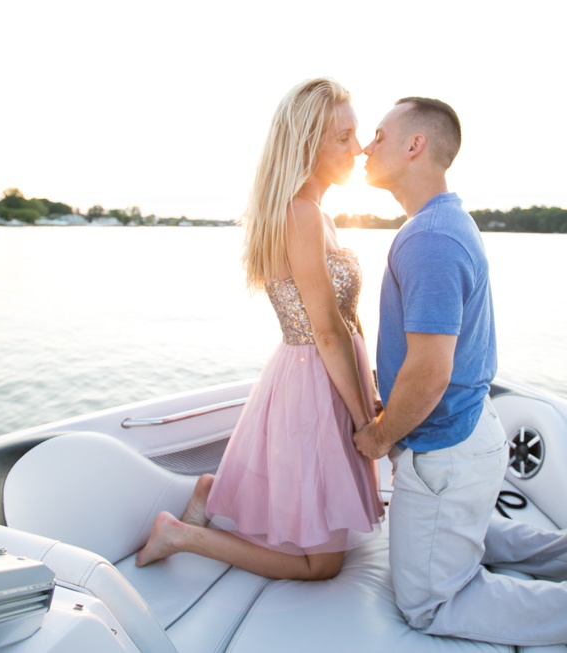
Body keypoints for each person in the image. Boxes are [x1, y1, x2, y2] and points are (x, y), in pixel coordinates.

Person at [354, 97, 567, 653]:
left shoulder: (429, 239)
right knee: (463, 534)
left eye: (380, 134)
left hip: (446, 449)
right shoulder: (444, 221)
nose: (367, 146)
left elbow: (431, 372)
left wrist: (379, 436)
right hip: (470, 435)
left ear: (416, 146)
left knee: (428, 602)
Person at [137, 78, 384, 580]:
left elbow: (347, 316)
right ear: (307, 142)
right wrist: (366, 422)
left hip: (328, 373)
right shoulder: (300, 214)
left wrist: (370, 388)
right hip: (317, 377)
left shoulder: (315, 212)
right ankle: (181, 535)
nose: (358, 149)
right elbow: (328, 331)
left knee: (317, 516)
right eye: (344, 137)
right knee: (321, 567)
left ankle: (210, 492)